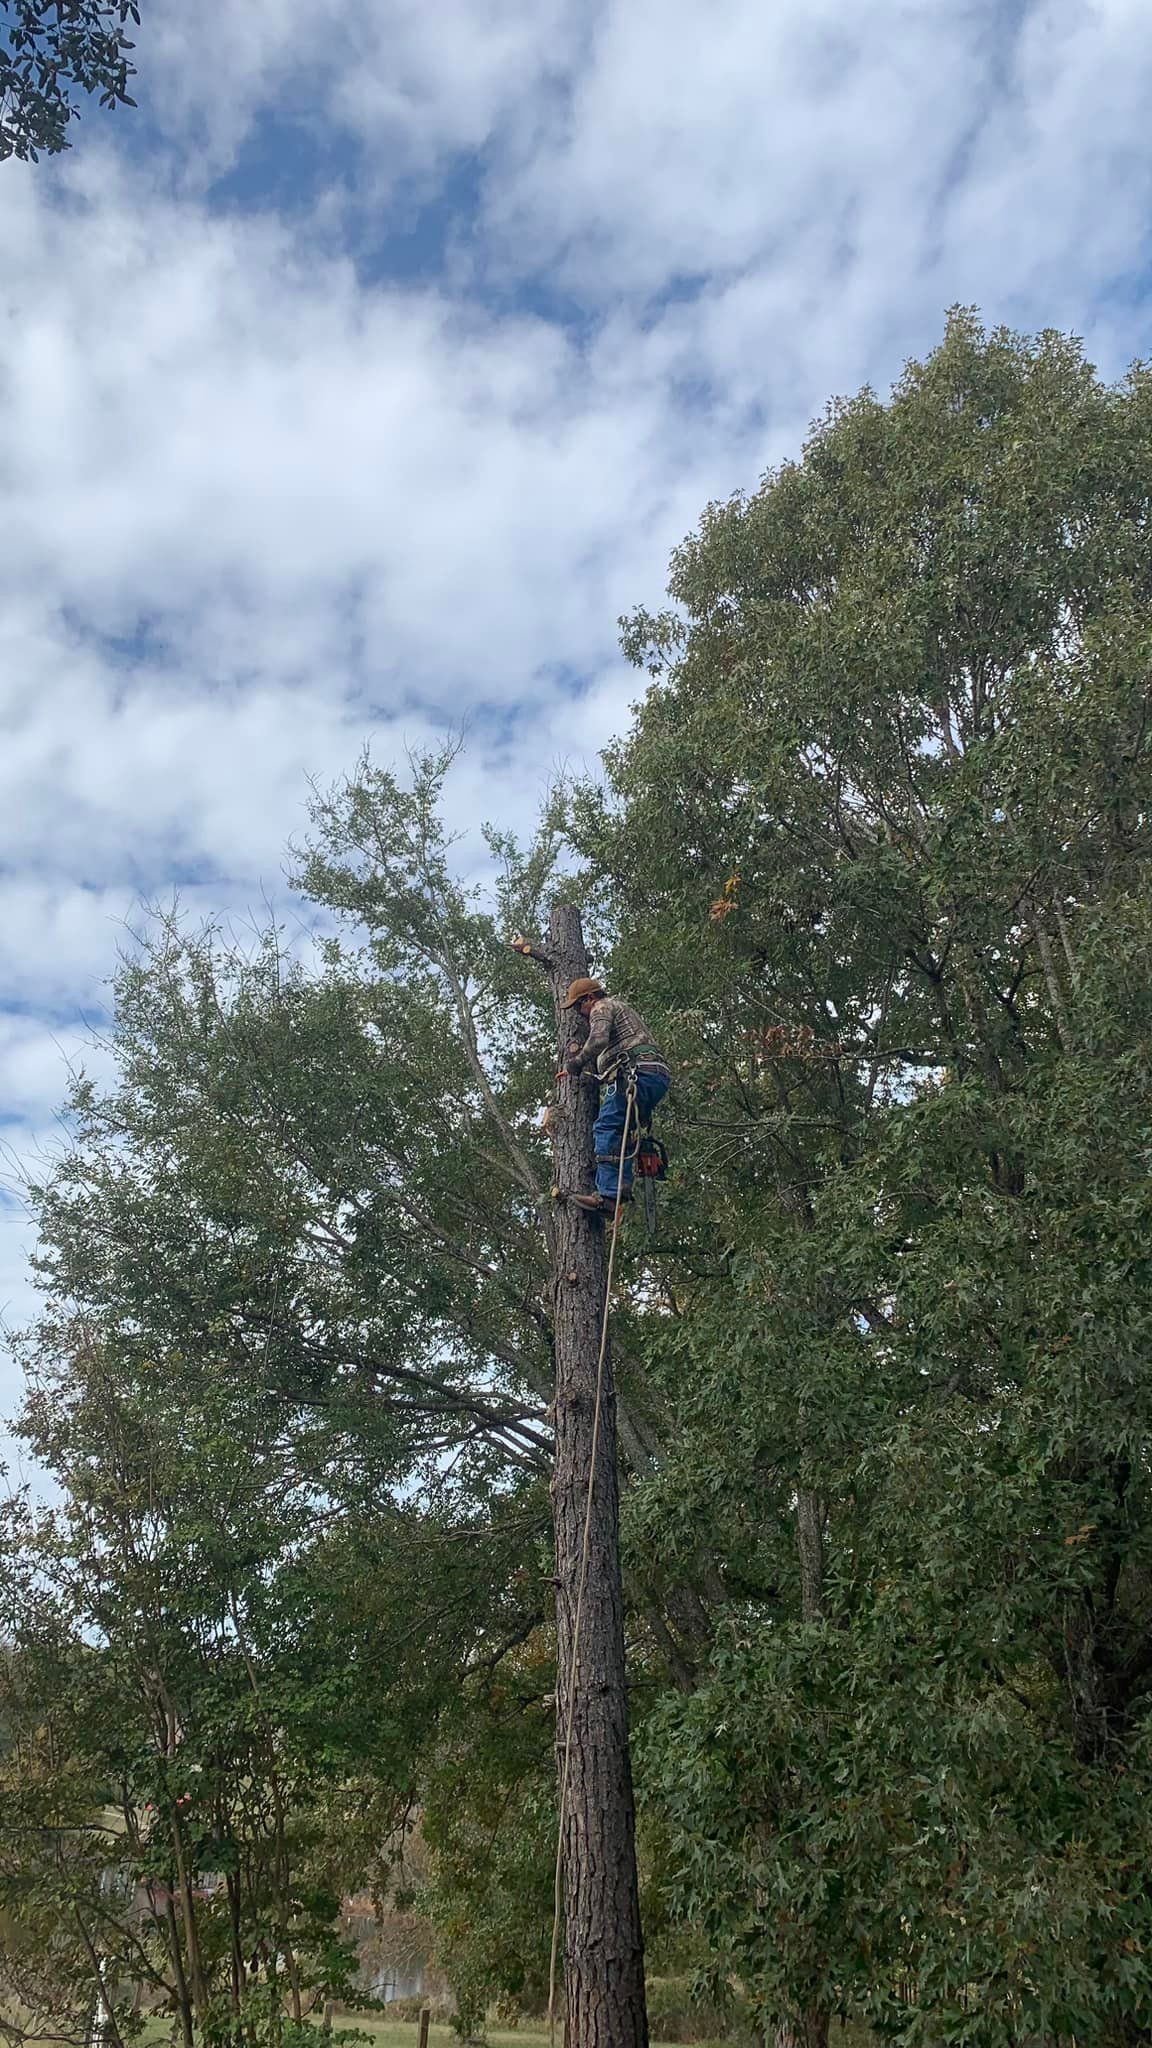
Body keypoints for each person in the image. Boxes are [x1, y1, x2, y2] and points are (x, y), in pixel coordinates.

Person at [562, 977, 670, 1214]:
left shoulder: (602, 1006)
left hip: (635, 1073)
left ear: (589, 998)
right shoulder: (622, 1011)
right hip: (653, 1075)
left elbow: (598, 1039)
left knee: (606, 1126)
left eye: (579, 1007)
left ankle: (610, 1195)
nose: (579, 1014)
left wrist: (577, 1062)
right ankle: (620, 1184)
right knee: (621, 1132)